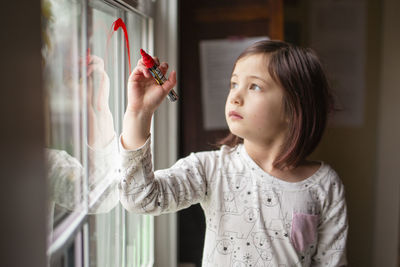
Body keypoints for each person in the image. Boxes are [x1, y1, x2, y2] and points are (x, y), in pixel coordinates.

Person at [118, 40, 348, 266]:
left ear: (294, 108)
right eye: (234, 84)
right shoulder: (210, 169)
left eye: (254, 86)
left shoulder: (325, 185)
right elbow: (141, 199)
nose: (235, 97)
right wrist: (139, 113)